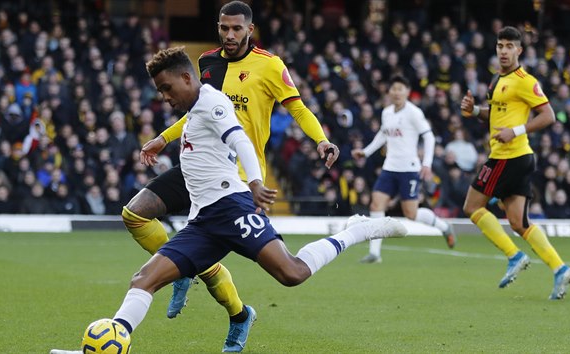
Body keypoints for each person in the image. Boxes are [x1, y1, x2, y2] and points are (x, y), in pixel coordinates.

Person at [50, 47, 406, 354]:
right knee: (142, 280)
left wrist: (254, 182)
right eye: (160, 91)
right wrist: (162, 139)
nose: (164, 97)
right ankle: (111, 341)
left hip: (232, 207)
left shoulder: (213, 102)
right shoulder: (193, 109)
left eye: (166, 88)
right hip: (203, 221)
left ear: (187, 79)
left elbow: (240, 141)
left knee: (292, 273)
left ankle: (357, 230)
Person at [120, 1, 340, 351]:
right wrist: (164, 138)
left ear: (250, 30)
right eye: (224, 28)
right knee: (135, 212)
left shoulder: (270, 65)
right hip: (199, 165)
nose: (230, 35)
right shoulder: (207, 63)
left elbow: (296, 107)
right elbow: (197, 111)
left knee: (277, 269)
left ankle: (233, 309)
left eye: (237, 28)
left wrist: (322, 139)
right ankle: (186, 267)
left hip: (239, 176)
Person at [459, 26, 570, 300]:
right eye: (500, 45)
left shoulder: (525, 80)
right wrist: (474, 110)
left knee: (472, 206)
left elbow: (548, 116)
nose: (503, 51)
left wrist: (516, 131)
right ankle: (560, 269)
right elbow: (497, 115)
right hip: (517, 158)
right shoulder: (496, 80)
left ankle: (514, 255)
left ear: (519, 50)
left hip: (507, 156)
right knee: (518, 223)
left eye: (509, 46)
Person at [351, 75, 456, 264]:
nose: (397, 92)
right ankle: (375, 254)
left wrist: (427, 163)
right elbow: (383, 135)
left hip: (409, 168)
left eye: (401, 88)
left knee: (411, 213)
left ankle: (443, 226)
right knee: (376, 205)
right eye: (394, 88)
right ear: (389, 92)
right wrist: (365, 153)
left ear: (407, 92)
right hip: (389, 167)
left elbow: (429, 137)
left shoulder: (413, 113)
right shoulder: (387, 112)